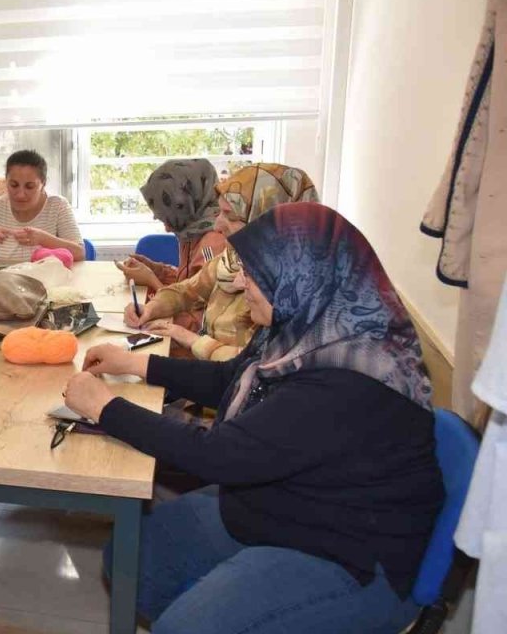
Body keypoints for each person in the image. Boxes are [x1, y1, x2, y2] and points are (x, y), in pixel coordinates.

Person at [64, 203, 443, 633]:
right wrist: (138, 365)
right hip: (286, 508)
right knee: (131, 558)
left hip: (346, 555)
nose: (242, 283)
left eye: (254, 274)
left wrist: (105, 407)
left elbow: (219, 455)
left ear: (299, 278)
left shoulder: (350, 378)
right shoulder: (304, 327)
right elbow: (230, 376)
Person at [123, 164, 320, 360]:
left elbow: (250, 362)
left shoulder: (287, 290)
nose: (217, 225)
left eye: (231, 216)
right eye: (220, 212)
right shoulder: (232, 258)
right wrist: (151, 308)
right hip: (206, 371)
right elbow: (186, 290)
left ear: (269, 223)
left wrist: (188, 338)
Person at [117, 158, 229, 333]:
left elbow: (200, 320)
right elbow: (190, 282)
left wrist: (152, 281)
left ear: (186, 204)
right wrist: (158, 270)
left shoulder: (212, 244)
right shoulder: (192, 230)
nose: (166, 227)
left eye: (168, 217)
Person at [0, 149, 84, 262]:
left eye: (29, 186)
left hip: (47, 282)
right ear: (6, 181)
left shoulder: (58, 206)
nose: (20, 195)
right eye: (13, 185)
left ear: (43, 184)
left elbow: (80, 253)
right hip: (6, 282)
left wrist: (44, 239)